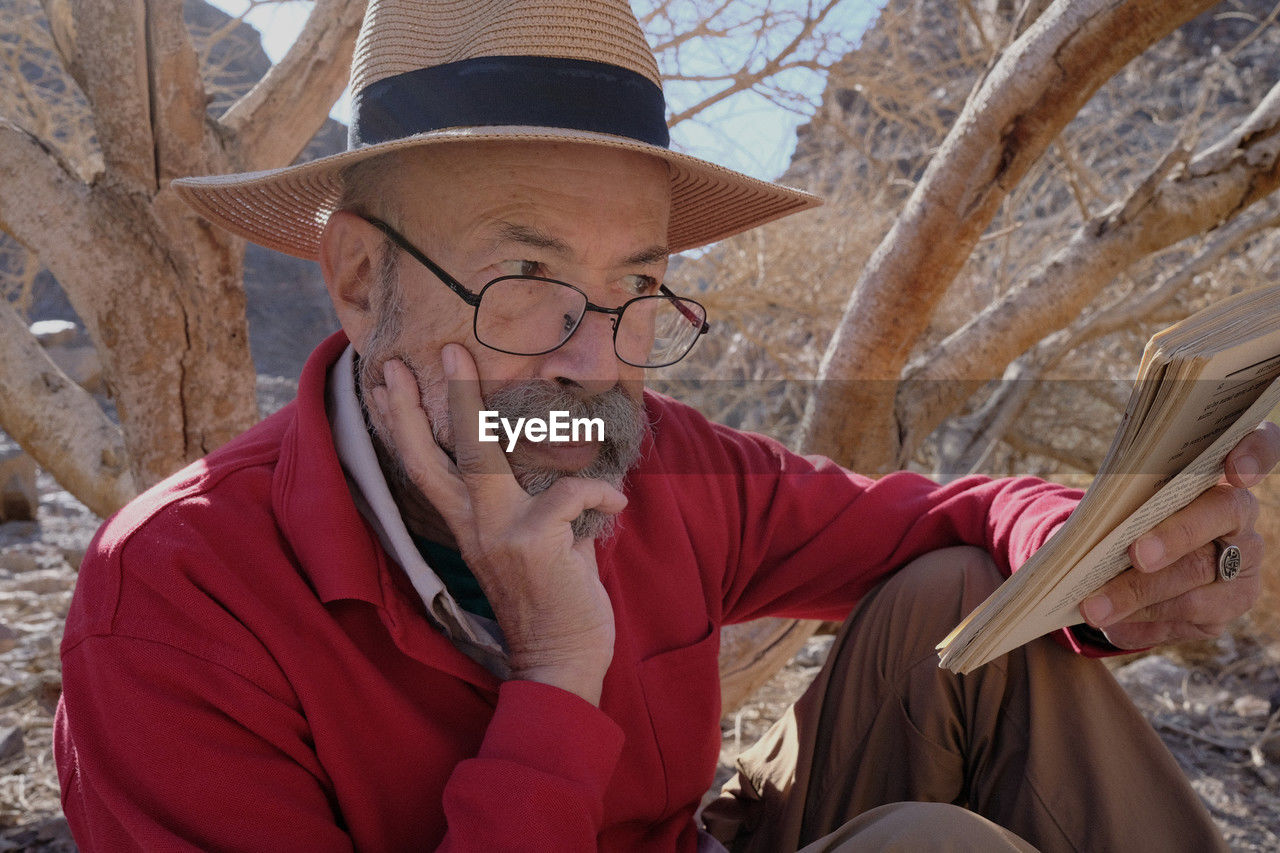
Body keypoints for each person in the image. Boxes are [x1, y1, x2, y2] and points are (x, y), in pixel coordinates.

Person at [54, 1, 1279, 851]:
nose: (592, 362)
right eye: (524, 276)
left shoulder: (650, 454)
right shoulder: (175, 593)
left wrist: (1110, 540)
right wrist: (554, 672)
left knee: (955, 595)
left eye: (634, 288)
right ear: (362, 280)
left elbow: (924, 516)